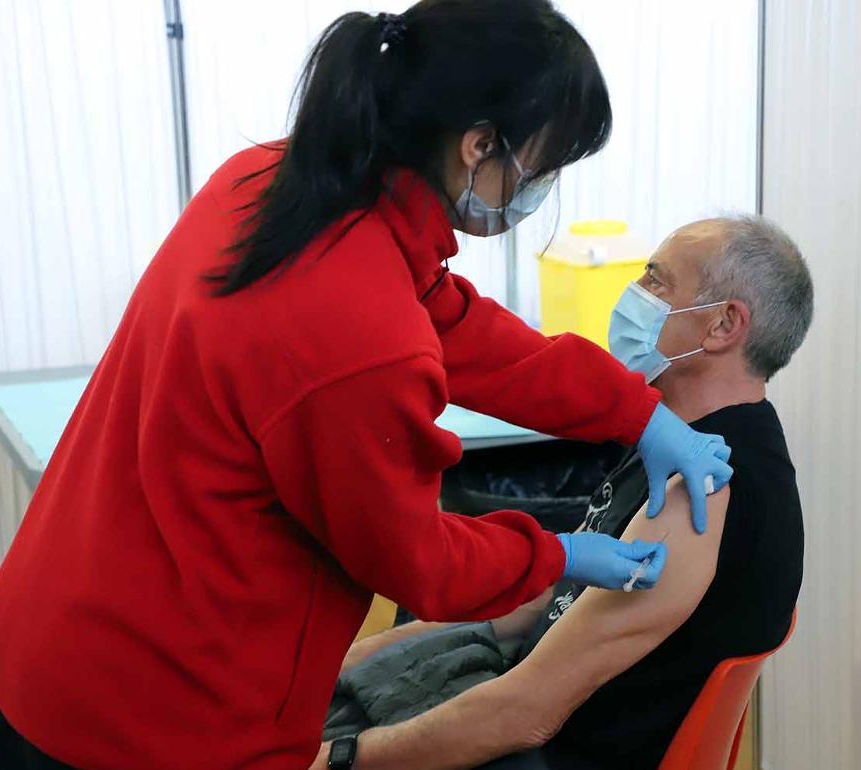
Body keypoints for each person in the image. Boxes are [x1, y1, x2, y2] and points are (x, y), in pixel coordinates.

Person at [0, 3, 734, 770]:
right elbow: (420, 564)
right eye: (545, 164)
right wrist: (560, 554)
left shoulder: (275, 179)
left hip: (52, 634)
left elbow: (458, 326)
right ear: (479, 145)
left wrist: (636, 412)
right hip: (150, 717)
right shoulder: (360, 337)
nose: (546, 187)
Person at [310, 215, 812, 770]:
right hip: (534, 706)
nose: (634, 294)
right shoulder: (675, 437)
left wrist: (339, 760)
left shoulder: (703, 488)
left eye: (656, 280)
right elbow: (550, 599)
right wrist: (355, 660)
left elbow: (527, 711)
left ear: (722, 325)